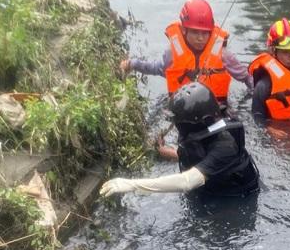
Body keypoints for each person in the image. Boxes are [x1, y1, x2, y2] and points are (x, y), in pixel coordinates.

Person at [100, 82, 259, 197]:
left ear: (195, 122)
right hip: (212, 190)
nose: (176, 126)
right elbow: (201, 155)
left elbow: (187, 182)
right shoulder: (204, 132)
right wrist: (167, 152)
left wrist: (132, 184)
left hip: (236, 200)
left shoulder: (225, 146)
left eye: (179, 122)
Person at [120, 0, 253, 101]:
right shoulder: (172, 53)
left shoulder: (223, 55)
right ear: (184, 30)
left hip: (217, 108)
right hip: (183, 108)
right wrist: (133, 64)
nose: (200, 38)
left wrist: (257, 95)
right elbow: (157, 69)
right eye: (195, 32)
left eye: (205, 33)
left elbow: (245, 77)